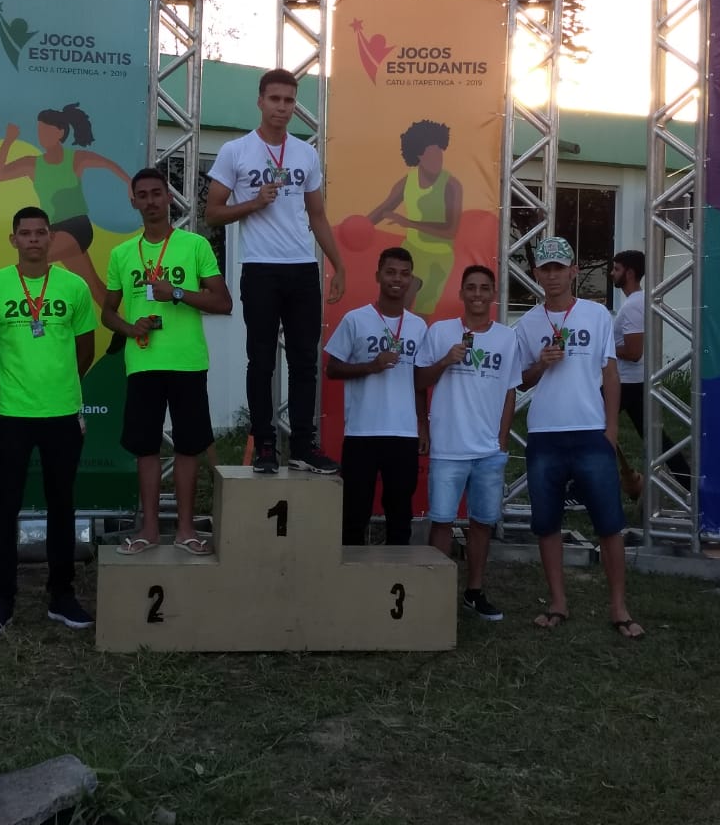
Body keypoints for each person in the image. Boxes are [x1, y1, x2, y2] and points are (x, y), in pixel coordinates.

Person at [204, 68, 346, 476]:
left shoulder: (305, 154)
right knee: (261, 360)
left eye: (289, 101)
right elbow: (212, 213)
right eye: (275, 99)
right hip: (261, 269)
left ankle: (302, 445)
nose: (282, 107)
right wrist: (253, 202)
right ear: (260, 101)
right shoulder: (236, 151)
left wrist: (338, 264)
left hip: (302, 268)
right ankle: (265, 444)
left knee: (304, 362)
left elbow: (317, 215)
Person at [0, 206, 97, 634]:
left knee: (62, 504)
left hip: (62, 413)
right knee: (5, 507)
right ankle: (1, 600)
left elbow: (86, 349)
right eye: (24, 233)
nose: (33, 240)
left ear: (50, 238)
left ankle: (62, 595)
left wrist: (60, 385)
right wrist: (7, 387)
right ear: (13, 240)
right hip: (11, 414)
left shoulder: (74, 286)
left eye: (40, 232)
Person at [515, 236, 644, 640]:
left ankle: (619, 607)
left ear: (573, 271)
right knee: (547, 523)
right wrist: (541, 364)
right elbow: (521, 380)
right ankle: (557, 602)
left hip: (590, 431)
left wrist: (611, 429)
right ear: (536, 274)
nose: (553, 275)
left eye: (559, 268)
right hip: (544, 433)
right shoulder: (527, 323)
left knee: (609, 522)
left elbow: (610, 372)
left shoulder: (597, 314)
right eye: (545, 269)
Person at [102, 168, 233, 555]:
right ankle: (149, 531)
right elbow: (107, 313)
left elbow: (223, 302)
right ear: (133, 202)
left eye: (157, 193)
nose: (151, 201)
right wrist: (130, 328)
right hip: (143, 362)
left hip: (187, 361)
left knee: (188, 446)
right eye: (142, 195)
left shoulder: (194, 245)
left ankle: (186, 531)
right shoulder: (122, 253)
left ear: (170, 198)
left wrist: (175, 292)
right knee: (145, 447)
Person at [415, 265, 520, 621]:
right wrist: (447, 360)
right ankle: (435, 597)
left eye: (484, 288)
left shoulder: (507, 338)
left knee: (481, 523)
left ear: (493, 295)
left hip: (489, 451)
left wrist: (502, 439)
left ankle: (474, 593)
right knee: (442, 521)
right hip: (448, 447)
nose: (477, 294)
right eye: (471, 288)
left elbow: (510, 391)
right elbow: (419, 381)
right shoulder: (440, 331)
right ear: (461, 293)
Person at [324, 247, 428, 545]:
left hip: (403, 433)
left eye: (404, 274)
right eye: (391, 272)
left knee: (400, 513)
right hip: (362, 432)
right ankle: (353, 570)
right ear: (378, 276)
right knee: (354, 513)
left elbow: (418, 382)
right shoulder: (355, 319)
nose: (397, 279)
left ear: (410, 279)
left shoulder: (418, 326)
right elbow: (332, 369)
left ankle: (396, 568)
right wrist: (371, 366)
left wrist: (423, 425)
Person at [0, 103, 132, 306]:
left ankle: (28, 305)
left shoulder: (75, 159)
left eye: (46, 130)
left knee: (34, 261)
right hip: (53, 230)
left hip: (76, 227)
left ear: (60, 132)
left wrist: (129, 183)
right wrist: (8, 141)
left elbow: (108, 164)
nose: (41, 135)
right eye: (39, 130)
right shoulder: (33, 163)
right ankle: (122, 318)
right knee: (96, 289)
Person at [366, 119, 464, 315]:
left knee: (419, 316)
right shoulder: (407, 182)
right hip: (411, 253)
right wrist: (361, 226)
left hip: (439, 258)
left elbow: (450, 230)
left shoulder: (451, 185)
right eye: (433, 153)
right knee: (396, 310)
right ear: (419, 154)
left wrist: (409, 223)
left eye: (440, 152)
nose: (438, 158)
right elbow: (384, 208)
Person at [611, 249, 691, 487]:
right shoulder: (637, 302)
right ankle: (689, 485)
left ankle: (587, 484)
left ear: (630, 273)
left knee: (586, 425)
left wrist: (602, 349)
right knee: (657, 440)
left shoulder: (633, 306)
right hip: (633, 382)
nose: (611, 273)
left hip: (626, 383)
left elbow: (634, 353)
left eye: (616, 269)